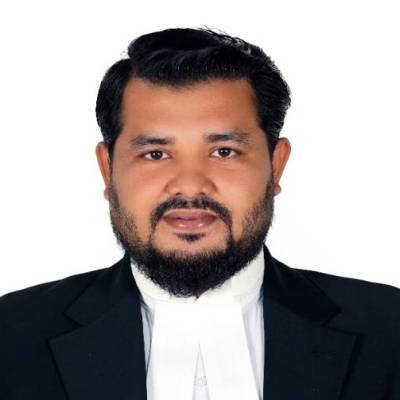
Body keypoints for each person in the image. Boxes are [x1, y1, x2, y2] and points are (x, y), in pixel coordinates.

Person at [1, 27, 399, 400]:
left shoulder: (390, 330)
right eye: (156, 154)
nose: (190, 186)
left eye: (223, 152)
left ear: (276, 166)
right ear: (108, 170)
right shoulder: (11, 335)